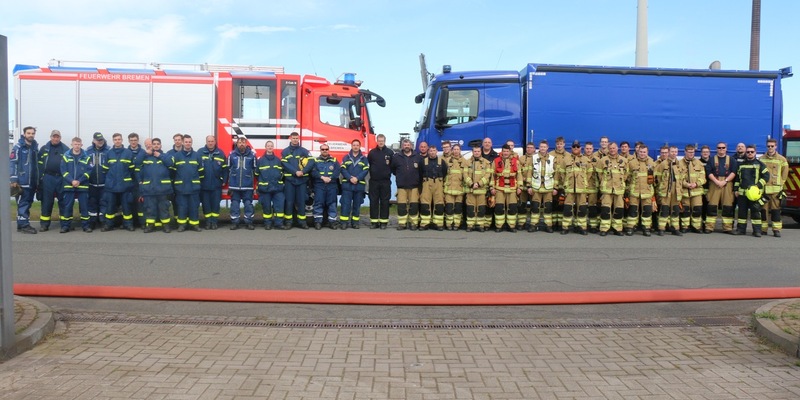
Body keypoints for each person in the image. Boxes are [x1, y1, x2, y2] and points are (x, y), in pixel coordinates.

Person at [101, 133, 136, 232]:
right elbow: (105, 169)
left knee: (126, 207)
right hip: (111, 186)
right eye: (115, 139)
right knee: (110, 207)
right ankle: (109, 224)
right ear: (113, 141)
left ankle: (128, 224)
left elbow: (132, 170)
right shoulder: (109, 153)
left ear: (122, 140)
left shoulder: (128, 153)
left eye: (119, 139)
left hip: (125, 185)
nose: (117, 141)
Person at [734, 144, 770, 237]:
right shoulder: (741, 165)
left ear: (755, 152)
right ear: (746, 153)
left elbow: (766, 176)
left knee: (755, 212)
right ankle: (741, 230)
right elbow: (738, 178)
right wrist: (736, 189)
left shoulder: (760, 164)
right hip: (742, 193)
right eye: (748, 152)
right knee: (742, 212)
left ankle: (757, 231)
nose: (750, 153)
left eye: (752, 152)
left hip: (754, 194)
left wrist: (757, 186)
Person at [37, 129, 69, 232]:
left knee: (63, 201)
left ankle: (65, 225)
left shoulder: (65, 149)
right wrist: (40, 178)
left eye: (57, 137)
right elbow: (39, 164)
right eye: (54, 137)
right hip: (48, 178)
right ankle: (44, 224)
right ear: (50, 137)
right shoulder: (44, 148)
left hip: (61, 178)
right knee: (47, 201)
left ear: (60, 138)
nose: (55, 138)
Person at [139, 138, 173, 233]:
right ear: (151, 145)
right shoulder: (146, 157)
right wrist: (145, 153)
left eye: (158, 144)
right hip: (150, 188)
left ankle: (166, 225)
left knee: (164, 208)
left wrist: (160, 156)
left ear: (161, 145)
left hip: (163, 189)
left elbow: (170, 163)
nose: (156, 145)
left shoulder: (166, 156)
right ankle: (150, 226)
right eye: (154, 144)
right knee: (150, 208)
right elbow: (136, 162)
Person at [171, 135, 204, 232]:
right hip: (181, 188)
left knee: (194, 207)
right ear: (182, 143)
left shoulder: (197, 155)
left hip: (194, 187)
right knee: (182, 207)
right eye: (186, 142)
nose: (188, 143)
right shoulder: (177, 156)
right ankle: (182, 225)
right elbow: (173, 172)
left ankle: (194, 225)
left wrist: (197, 183)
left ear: (191, 143)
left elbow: (201, 172)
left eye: (189, 142)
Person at [556, 140, 590, 235]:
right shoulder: (565, 159)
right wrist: (566, 182)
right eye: (574, 147)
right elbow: (561, 173)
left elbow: (589, 173)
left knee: (582, 208)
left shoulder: (586, 160)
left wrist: (584, 181)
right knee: (567, 208)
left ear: (580, 148)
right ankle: (565, 227)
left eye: (577, 147)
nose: (576, 148)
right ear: (571, 148)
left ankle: (581, 227)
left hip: (582, 188)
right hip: (570, 188)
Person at [10, 126, 39, 234]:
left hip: (32, 181)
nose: (31, 135)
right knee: (23, 203)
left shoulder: (34, 147)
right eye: (28, 133)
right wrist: (13, 179)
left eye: (32, 133)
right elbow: (13, 163)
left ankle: (21, 224)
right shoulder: (18, 147)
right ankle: (24, 225)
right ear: (24, 134)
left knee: (28, 203)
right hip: (22, 181)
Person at [281, 132, 314, 229]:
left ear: (299, 139)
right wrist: (295, 171)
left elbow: (311, 161)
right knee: (289, 202)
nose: (295, 140)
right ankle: (288, 222)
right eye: (293, 138)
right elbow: (284, 164)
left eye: (296, 138)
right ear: (290, 139)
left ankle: (302, 222)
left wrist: (303, 171)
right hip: (290, 181)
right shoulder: (285, 152)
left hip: (302, 181)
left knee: (301, 202)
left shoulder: (304, 151)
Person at [59, 137, 92, 233]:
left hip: (83, 186)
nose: (77, 146)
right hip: (69, 185)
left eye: (78, 144)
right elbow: (63, 171)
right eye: (75, 144)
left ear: (81, 145)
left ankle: (86, 226)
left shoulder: (87, 157)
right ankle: (66, 226)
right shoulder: (66, 156)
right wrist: (71, 180)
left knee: (84, 207)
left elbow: (89, 171)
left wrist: (80, 181)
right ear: (72, 144)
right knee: (68, 206)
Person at [705, 142, 738, 234]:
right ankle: (709, 227)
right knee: (712, 206)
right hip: (714, 183)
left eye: (723, 148)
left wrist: (725, 181)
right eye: (719, 148)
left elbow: (734, 172)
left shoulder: (732, 160)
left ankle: (727, 228)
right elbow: (708, 172)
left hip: (727, 184)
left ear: (726, 148)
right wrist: (717, 182)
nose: (721, 149)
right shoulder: (711, 160)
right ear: (716, 149)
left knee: (728, 206)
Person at [596, 142, 627, 236]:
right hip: (607, 189)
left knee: (619, 209)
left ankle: (617, 228)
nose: (612, 150)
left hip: (619, 189)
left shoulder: (624, 160)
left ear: (617, 148)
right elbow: (599, 174)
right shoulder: (602, 160)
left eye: (614, 148)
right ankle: (604, 228)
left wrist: (620, 183)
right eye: (611, 148)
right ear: (608, 149)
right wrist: (604, 183)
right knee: (606, 209)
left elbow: (626, 174)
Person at [759, 138, 789, 237]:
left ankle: (776, 230)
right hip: (764, 190)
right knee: (763, 210)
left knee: (776, 211)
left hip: (776, 190)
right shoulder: (761, 159)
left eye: (772, 146)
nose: (770, 148)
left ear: (775, 146)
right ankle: (763, 229)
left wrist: (781, 184)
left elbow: (784, 174)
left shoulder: (782, 159)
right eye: (768, 146)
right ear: (766, 147)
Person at [624, 144, 656, 236]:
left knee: (647, 211)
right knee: (633, 210)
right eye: (641, 152)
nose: (642, 154)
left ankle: (646, 228)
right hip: (634, 191)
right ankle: (630, 227)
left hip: (647, 192)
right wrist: (627, 190)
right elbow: (627, 177)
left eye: (644, 152)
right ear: (637, 152)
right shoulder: (631, 163)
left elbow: (655, 178)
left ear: (647, 152)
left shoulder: (652, 163)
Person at [391, 138, 423, 230]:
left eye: (408, 145)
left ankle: (413, 223)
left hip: (414, 186)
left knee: (414, 206)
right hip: (402, 186)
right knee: (401, 206)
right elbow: (393, 170)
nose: (406, 146)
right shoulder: (396, 157)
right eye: (405, 145)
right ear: (402, 146)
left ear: (411, 146)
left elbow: (421, 171)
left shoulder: (417, 157)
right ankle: (402, 224)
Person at [654, 145, 686, 236]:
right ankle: (661, 229)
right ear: (669, 152)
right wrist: (662, 187)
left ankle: (675, 229)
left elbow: (682, 177)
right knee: (664, 210)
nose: (674, 153)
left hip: (676, 190)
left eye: (675, 152)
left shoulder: (680, 164)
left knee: (675, 210)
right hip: (666, 190)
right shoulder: (663, 164)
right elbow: (657, 177)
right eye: (672, 151)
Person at [490, 144, 522, 232]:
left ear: (510, 152)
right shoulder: (496, 161)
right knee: (499, 208)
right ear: (502, 151)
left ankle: (511, 226)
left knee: (512, 208)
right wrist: (492, 188)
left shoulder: (516, 161)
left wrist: (520, 187)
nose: (506, 153)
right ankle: (499, 226)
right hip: (499, 188)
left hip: (512, 189)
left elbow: (519, 175)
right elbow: (492, 175)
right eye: (504, 151)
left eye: (507, 151)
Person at [227, 136, 257, 230]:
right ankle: (235, 222)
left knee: (248, 204)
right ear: (237, 143)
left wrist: (256, 185)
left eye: (243, 142)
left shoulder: (252, 155)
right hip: (234, 185)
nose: (241, 144)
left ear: (246, 144)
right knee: (235, 204)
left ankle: (249, 222)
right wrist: (229, 184)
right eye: (240, 142)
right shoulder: (231, 155)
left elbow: (255, 170)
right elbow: (228, 169)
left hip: (247, 186)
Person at [198, 135, 227, 230]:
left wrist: (224, 180)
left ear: (215, 142)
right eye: (209, 141)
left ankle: (214, 222)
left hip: (216, 185)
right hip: (204, 184)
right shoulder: (200, 152)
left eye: (212, 141)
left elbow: (225, 169)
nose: (210, 143)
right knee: (206, 205)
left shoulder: (220, 153)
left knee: (215, 205)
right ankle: (208, 222)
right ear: (206, 142)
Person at [339, 139, 369, 229]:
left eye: (357, 145)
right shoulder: (346, 157)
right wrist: (350, 178)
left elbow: (366, 170)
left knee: (357, 205)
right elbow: (343, 169)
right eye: (354, 145)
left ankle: (355, 222)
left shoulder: (364, 159)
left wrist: (357, 178)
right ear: (351, 146)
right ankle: (344, 222)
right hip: (347, 185)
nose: (355, 147)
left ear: (359, 147)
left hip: (359, 185)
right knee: (345, 205)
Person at [256, 141, 285, 230]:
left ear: (273, 147)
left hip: (277, 188)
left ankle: (278, 223)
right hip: (265, 188)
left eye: (271, 146)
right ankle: (267, 223)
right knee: (266, 207)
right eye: (268, 146)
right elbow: (257, 173)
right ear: (265, 147)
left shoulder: (278, 160)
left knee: (279, 206)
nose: (270, 147)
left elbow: (282, 173)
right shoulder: (261, 160)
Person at [367, 134, 394, 229]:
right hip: (374, 181)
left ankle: (384, 222)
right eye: (379, 141)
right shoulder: (372, 153)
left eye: (382, 141)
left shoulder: (390, 153)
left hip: (385, 181)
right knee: (373, 201)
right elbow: (369, 164)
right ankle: (374, 222)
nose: (380, 142)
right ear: (376, 141)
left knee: (385, 202)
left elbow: (392, 166)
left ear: (385, 141)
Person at [531, 140, 558, 233]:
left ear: (547, 148)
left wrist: (555, 187)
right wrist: (528, 186)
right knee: (535, 207)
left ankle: (548, 226)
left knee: (548, 207)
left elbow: (556, 174)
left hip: (548, 188)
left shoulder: (552, 158)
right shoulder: (533, 158)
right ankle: (533, 225)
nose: (542, 148)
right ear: (539, 147)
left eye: (544, 147)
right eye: (541, 147)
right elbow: (528, 173)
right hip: (536, 187)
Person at [311, 144, 340, 229]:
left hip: (331, 185)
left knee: (332, 204)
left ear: (328, 150)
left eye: (326, 149)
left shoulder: (334, 161)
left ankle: (332, 222)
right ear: (320, 150)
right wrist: (322, 177)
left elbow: (337, 171)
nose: (324, 151)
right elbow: (313, 172)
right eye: (323, 149)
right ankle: (318, 222)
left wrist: (330, 178)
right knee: (318, 203)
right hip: (319, 185)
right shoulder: (315, 161)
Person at [419, 144, 447, 230]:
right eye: (430, 151)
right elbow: (420, 173)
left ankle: (438, 224)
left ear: (437, 151)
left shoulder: (441, 161)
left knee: (439, 203)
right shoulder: (423, 161)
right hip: (427, 183)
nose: (432, 152)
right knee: (425, 203)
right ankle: (424, 223)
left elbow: (444, 172)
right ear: (428, 151)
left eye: (434, 150)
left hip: (438, 183)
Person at [464, 145, 492, 232]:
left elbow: (488, 175)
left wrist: (479, 184)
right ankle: (470, 225)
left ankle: (480, 225)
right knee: (470, 209)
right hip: (471, 190)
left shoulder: (486, 163)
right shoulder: (467, 162)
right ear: (472, 152)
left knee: (481, 209)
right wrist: (471, 184)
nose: (477, 153)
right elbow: (465, 175)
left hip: (481, 190)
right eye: (475, 151)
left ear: (481, 152)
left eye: (478, 151)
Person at [680, 144, 707, 233]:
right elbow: (678, 178)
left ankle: (696, 227)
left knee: (697, 210)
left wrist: (696, 184)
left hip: (697, 191)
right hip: (684, 191)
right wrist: (686, 184)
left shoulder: (699, 163)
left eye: (693, 152)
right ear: (685, 152)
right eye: (689, 152)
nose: (691, 154)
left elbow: (703, 178)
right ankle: (685, 227)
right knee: (685, 210)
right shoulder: (679, 163)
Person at [85, 132, 109, 230]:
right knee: (92, 202)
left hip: (104, 183)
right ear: (94, 141)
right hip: (92, 183)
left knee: (104, 202)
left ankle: (103, 221)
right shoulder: (88, 151)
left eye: (101, 140)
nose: (100, 142)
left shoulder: (108, 151)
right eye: (98, 140)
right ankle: (92, 222)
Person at [443, 143, 467, 230]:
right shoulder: (447, 161)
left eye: (458, 149)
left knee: (458, 208)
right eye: (455, 149)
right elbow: (444, 174)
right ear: (452, 150)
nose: (456, 151)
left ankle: (457, 224)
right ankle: (449, 224)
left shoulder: (464, 161)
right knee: (449, 208)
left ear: (460, 150)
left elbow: (466, 175)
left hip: (460, 189)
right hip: (449, 188)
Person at [549, 137, 568, 230]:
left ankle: (560, 224)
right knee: (553, 203)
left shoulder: (568, 156)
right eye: (558, 144)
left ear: (564, 144)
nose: (559, 145)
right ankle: (552, 223)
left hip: (563, 184)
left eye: (561, 144)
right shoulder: (550, 155)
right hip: (552, 184)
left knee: (562, 203)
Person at [128, 132, 146, 227]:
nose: (133, 142)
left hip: (140, 182)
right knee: (129, 203)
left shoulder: (143, 152)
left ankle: (142, 223)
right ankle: (131, 223)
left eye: (135, 140)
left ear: (138, 141)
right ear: (129, 141)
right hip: (128, 181)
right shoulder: (125, 152)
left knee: (140, 203)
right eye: (131, 140)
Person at [517, 142, 536, 231]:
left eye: (531, 147)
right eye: (528, 147)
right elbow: (518, 171)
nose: (529, 149)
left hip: (534, 186)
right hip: (523, 186)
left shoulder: (537, 159)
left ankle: (533, 224)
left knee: (534, 206)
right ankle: (521, 223)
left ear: (534, 149)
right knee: (522, 205)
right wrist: (523, 179)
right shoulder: (521, 159)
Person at [583, 142, 601, 233]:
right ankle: (580, 225)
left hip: (593, 186)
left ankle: (593, 226)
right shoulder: (580, 159)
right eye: (587, 148)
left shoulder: (597, 160)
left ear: (593, 149)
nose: (588, 150)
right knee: (580, 206)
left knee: (592, 207)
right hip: (581, 186)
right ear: (584, 149)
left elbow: (600, 174)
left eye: (590, 148)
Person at [698, 145, 712, 228]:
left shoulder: (713, 162)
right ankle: (702, 224)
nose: (705, 153)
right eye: (703, 152)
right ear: (701, 153)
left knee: (709, 207)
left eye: (707, 152)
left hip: (711, 188)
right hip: (701, 188)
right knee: (701, 207)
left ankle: (708, 224)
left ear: (709, 153)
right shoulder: (698, 162)